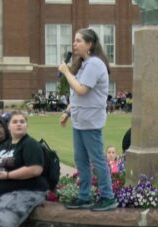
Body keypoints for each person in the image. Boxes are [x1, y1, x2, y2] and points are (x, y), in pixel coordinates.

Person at [59, 28, 117, 211]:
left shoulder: (95, 64)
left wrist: (66, 72)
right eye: (74, 41)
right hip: (79, 120)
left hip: (91, 122)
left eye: (79, 41)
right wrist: (67, 112)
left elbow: (82, 89)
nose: (74, 44)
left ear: (90, 44)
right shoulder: (85, 64)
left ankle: (108, 197)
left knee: (97, 159)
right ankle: (84, 197)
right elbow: (77, 96)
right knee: (81, 160)